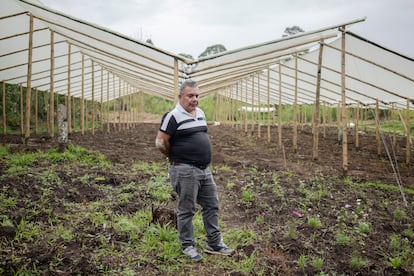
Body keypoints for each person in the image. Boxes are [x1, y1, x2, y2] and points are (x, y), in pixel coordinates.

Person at [155, 79, 234, 261]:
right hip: (185, 170)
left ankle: (214, 243)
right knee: (187, 209)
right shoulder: (173, 116)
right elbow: (160, 141)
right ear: (180, 96)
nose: (194, 99)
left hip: (204, 170)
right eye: (190, 95)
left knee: (211, 204)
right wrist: (172, 157)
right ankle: (188, 246)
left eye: (197, 95)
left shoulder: (200, 113)